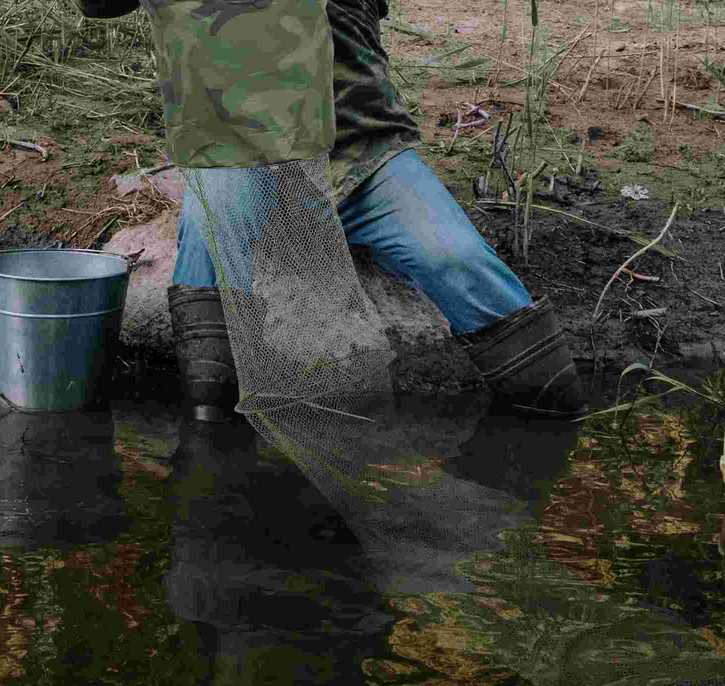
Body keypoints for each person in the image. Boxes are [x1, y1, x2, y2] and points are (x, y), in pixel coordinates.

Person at [73, 0, 587, 417]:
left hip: (360, 156)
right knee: (209, 300)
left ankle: (551, 415)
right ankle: (210, 450)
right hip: (240, 159)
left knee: (453, 257)